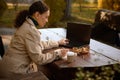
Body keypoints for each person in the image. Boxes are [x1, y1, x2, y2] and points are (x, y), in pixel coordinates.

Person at [0, 1, 69, 79]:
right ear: (37, 15)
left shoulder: (25, 24)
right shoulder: (31, 31)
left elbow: (37, 44)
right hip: (14, 73)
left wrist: (57, 42)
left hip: (7, 68)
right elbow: (39, 59)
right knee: (48, 74)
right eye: (46, 17)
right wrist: (58, 53)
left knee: (45, 70)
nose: (47, 20)